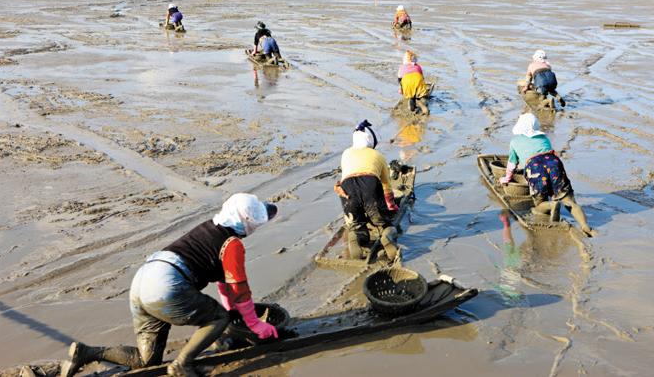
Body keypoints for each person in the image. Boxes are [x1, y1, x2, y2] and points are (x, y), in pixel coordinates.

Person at [60, 194, 280, 377]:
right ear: (247, 224)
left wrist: (234, 312)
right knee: (218, 318)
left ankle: (86, 353)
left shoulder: (207, 229)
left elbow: (226, 285)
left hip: (143, 281)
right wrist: (253, 324)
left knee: (147, 361)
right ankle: (182, 365)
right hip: (167, 286)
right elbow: (240, 288)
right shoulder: (232, 245)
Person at [499, 113, 594, 236]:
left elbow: (512, 165)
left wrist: (506, 178)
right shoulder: (544, 138)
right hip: (554, 163)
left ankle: (552, 204)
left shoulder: (515, 141)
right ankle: (585, 226)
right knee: (569, 201)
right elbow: (543, 156)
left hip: (535, 168)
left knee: (538, 205)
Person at [334, 120, 400, 261]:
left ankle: (355, 235)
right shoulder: (378, 156)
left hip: (347, 190)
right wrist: (392, 206)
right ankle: (386, 236)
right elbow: (386, 186)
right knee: (384, 222)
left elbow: (347, 175)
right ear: (371, 142)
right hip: (369, 186)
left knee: (356, 223)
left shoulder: (346, 153)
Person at [398, 51, 429, 115]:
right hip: (418, 78)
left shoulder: (401, 67)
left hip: (407, 79)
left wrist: (401, 88)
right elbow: (422, 77)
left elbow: (399, 79)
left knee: (409, 91)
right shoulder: (418, 66)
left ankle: (410, 99)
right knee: (418, 90)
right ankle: (420, 100)